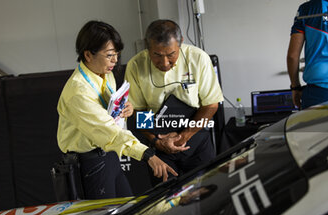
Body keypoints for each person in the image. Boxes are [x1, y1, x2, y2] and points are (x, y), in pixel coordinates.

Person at [57, 20, 177, 199]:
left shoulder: (107, 73)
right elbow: (108, 131)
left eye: (117, 54)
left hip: (111, 155)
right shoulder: (78, 91)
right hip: (91, 161)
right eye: (110, 55)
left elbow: (113, 117)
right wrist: (147, 153)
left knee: (125, 212)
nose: (115, 60)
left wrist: (126, 109)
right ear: (88, 55)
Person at [125, 19, 224, 183]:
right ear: (147, 46)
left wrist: (183, 136)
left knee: (206, 195)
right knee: (166, 202)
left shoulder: (198, 58)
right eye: (156, 55)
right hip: (160, 142)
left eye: (171, 55)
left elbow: (211, 104)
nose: (164, 63)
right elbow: (139, 110)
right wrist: (156, 140)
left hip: (195, 137)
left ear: (181, 43)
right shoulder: (135, 65)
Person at [287, 0, 328, 109]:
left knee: (317, 126)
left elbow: (292, 56)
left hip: (319, 91)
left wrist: (295, 87)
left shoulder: (307, 9)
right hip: (320, 88)